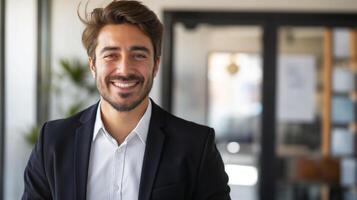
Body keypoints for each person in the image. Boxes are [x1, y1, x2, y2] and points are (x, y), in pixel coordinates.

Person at [22, 1, 230, 199]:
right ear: (93, 65)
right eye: (111, 55)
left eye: (138, 55)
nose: (124, 70)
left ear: (155, 65)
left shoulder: (196, 145)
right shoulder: (53, 141)